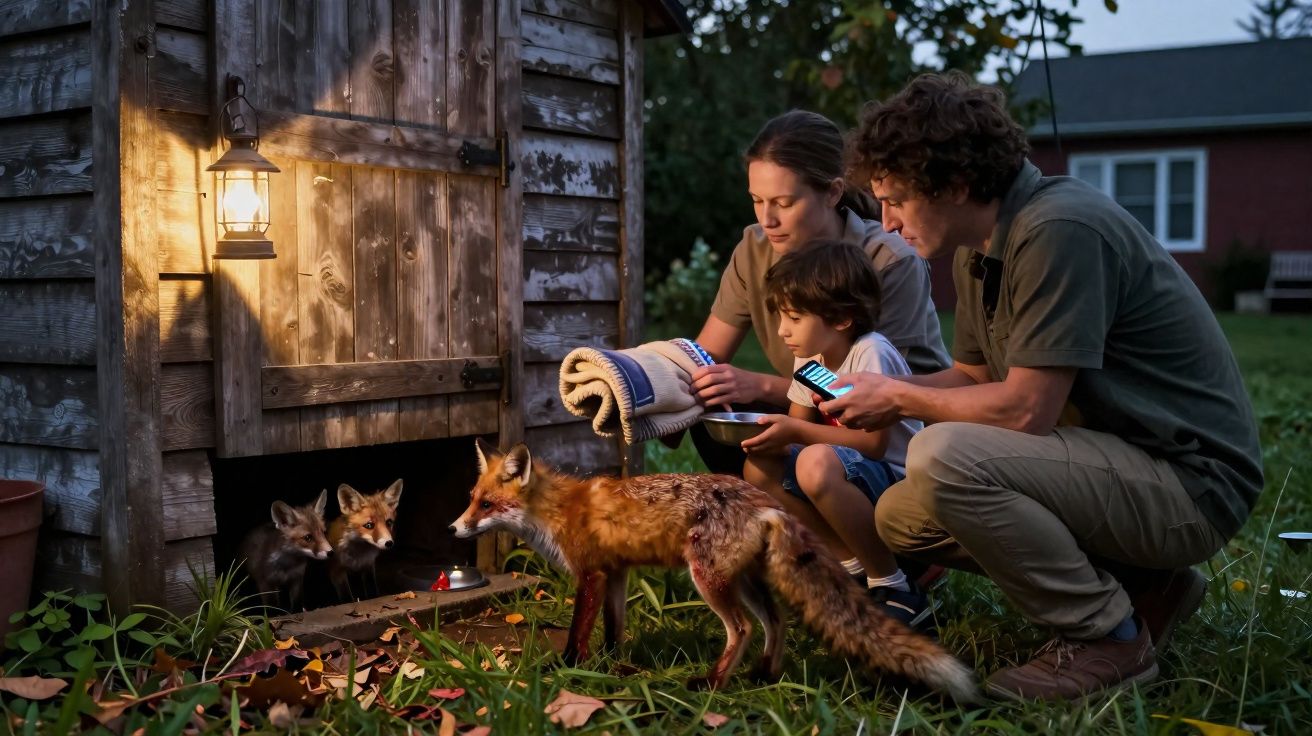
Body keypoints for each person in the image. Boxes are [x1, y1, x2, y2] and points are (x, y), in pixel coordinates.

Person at [821, 71, 1263, 700]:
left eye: (895, 199)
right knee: (899, 516)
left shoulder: (1060, 229)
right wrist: (873, 388)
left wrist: (899, 399)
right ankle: (1147, 587)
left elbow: (1027, 408)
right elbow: (975, 378)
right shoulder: (978, 249)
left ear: (955, 183)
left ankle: (1106, 638)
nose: (885, 222)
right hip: (1117, 461)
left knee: (943, 458)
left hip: (1190, 483)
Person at [687, 110, 950, 477]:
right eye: (757, 200)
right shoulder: (754, 248)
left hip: (898, 434)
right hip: (815, 412)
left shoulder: (888, 260)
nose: (767, 219)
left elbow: (866, 392)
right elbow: (703, 356)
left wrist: (758, 384)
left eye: (783, 203)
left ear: (833, 192)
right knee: (713, 403)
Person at [737, 240, 931, 628]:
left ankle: (894, 584)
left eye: (793, 318)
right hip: (846, 469)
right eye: (781, 317)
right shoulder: (810, 358)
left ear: (841, 318)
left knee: (814, 461)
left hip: (898, 478)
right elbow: (796, 425)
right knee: (758, 469)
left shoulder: (870, 353)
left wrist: (797, 432)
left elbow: (874, 444)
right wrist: (774, 435)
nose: (782, 330)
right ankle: (849, 565)